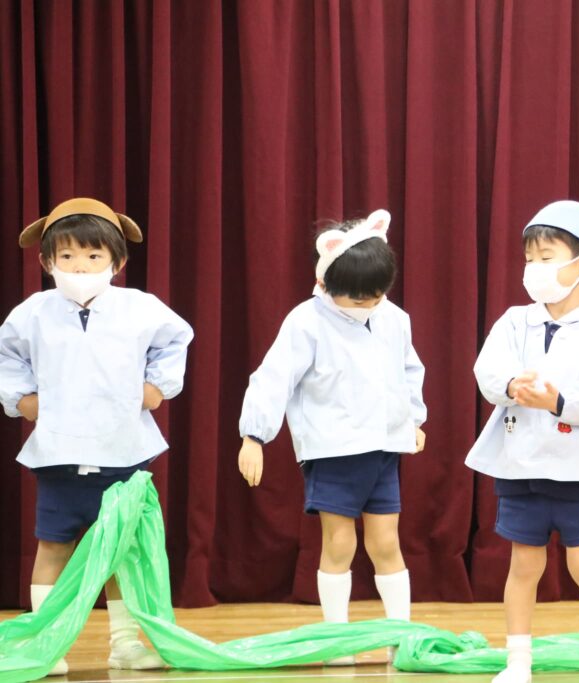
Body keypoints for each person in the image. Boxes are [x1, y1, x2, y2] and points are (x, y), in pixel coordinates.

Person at [0, 197, 194, 675]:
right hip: (59, 453)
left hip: (122, 451)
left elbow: (176, 340)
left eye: (92, 255)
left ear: (117, 261)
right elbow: (8, 357)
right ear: (47, 261)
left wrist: (157, 387)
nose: (80, 266)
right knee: (53, 546)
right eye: (66, 256)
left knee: (121, 552)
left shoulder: (140, 308)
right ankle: (45, 644)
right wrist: (22, 399)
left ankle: (124, 644)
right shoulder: (33, 312)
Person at [237, 209, 426, 664]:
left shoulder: (394, 318)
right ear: (325, 282)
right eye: (357, 298)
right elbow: (273, 378)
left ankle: (401, 636)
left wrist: (414, 420)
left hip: (384, 448)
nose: (367, 305)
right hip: (334, 451)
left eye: (376, 296)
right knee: (339, 544)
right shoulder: (306, 321)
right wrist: (254, 436)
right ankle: (336, 642)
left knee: (387, 544)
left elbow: (409, 370)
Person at [466, 196, 579, 683]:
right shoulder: (514, 321)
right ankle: (517, 662)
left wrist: (559, 402)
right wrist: (510, 384)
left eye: (545, 257)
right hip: (522, 466)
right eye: (529, 258)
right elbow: (487, 370)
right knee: (523, 566)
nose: (533, 268)